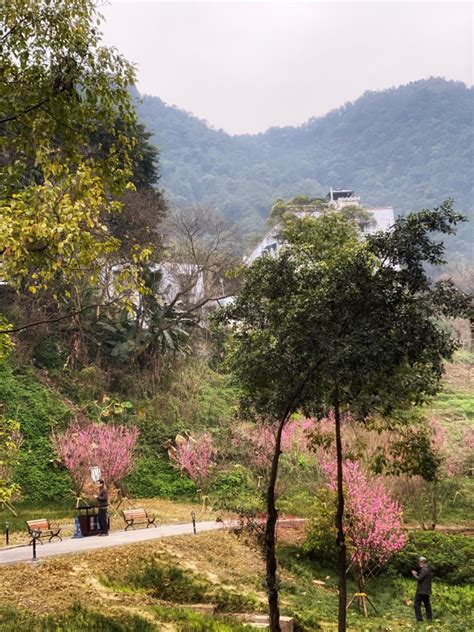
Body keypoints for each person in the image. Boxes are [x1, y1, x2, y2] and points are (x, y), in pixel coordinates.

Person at [411, 556, 432, 622]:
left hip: (421, 591)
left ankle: (419, 620)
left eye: (419, 562)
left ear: (422, 562)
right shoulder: (427, 569)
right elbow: (422, 576)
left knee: (417, 604)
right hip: (426, 590)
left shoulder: (424, 569)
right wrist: (418, 573)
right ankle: (429, 619)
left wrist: (414, 574)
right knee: (427, 604)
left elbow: (419, 578)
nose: (419, 563)